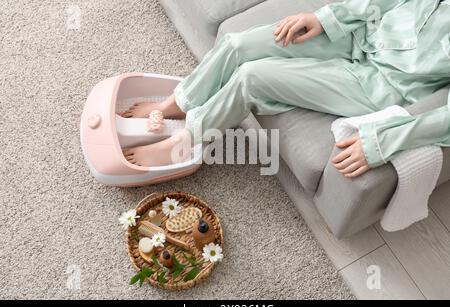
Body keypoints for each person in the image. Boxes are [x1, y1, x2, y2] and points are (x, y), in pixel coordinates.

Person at [121, 0, 450, 178]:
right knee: (239, 44)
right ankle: (180, 101)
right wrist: (325, 18)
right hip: (358, 34)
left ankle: (187, 141)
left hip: (381, 84)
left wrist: (384, 142)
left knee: (252, 78)